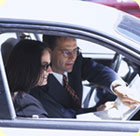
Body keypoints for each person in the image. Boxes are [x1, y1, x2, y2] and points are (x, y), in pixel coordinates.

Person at [30, 35, 140, 118]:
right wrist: (97, 110)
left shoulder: (75, 61)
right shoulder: (39, 84)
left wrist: (118, 87)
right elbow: (63, 115)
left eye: (75, 50)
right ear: (49, 52)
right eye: (66, 52)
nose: (73, 57)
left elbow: (97, 70)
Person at [6, 39, 52, 118]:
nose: (50, 71)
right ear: (29, 67)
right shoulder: (26, 106)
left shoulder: (12, 97)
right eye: (45, 66)